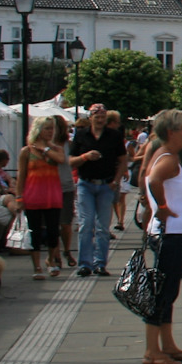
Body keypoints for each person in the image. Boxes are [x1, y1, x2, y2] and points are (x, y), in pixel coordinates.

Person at [139, 109, 182, 364]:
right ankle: (152, 351)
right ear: (172, 132)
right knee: (163, 290)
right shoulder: (169, 160)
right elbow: (153, 179)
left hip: (174, 233)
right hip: (170, 234)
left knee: (169, 289)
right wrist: (161, 207)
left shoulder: (167, 154)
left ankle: (168, 344)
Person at [69, 103, 126, 276]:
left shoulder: (114, 136)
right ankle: (85, 263)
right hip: (86, 183)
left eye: (103, 117)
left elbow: (123, 159)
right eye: (97, 116)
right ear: (90, 118)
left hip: (106, 184)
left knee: (102, 227)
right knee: (86, 224)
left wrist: (116, 181)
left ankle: (100, 263)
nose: (100, 120)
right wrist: (85, 157)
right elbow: (70, 161)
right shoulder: (81, 135)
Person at [19, 116, 68, 280]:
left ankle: (51, 260)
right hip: (33, 196)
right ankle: (37, 266)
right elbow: (22, 176)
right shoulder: (26, 152)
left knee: (54, 231)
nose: (50, 132)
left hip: (52, 196)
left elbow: (61, 160)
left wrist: (45, 149)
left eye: (51, 128)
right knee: (35, 232)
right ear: (38, 130)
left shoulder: (56, 149)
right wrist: (19, 197)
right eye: (47, 128)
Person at [53, 117, 79, 269]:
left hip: (66, 186)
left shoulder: (68, 145)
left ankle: (67, 250)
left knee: (65, 223)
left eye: (54, 127)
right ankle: (55, 254)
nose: (52, 130)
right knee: (52, 224)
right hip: (49, 187)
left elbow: (73, 162)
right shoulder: (43, 146)